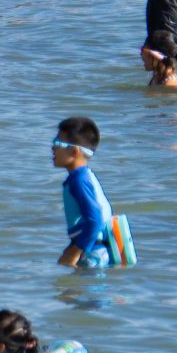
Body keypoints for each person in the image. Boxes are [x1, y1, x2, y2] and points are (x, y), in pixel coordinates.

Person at [55, 116, 130, 270]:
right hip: (96, 248)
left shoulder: (79, 181)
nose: (53, 148)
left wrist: (75, 252)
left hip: (92, 254)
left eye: (57, 144)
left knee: (80, 284)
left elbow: (95, 219)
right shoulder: (86, 175)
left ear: (74, 151)